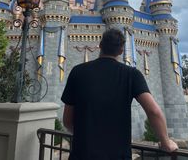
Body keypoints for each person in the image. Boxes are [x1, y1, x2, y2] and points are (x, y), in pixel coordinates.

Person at [61, 28, 178, 160]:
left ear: (100, 45)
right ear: (122, 51)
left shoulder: (78, 72)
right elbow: (153, 111)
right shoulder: (132, 75)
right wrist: (166, 142)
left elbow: (67, 121)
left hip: (82, 155)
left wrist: (87, 137)